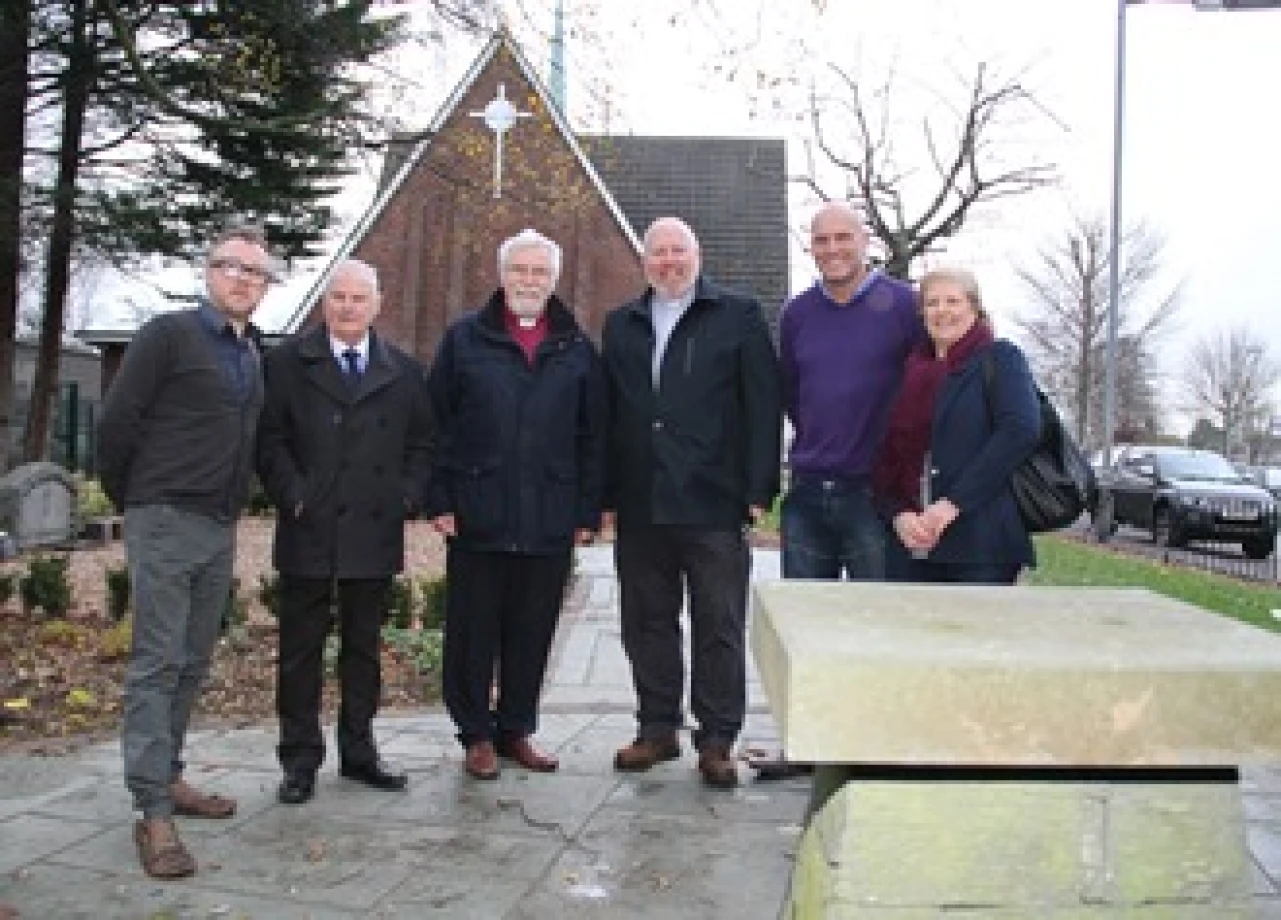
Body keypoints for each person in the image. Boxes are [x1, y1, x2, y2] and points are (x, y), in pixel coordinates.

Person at [98, 225, 271, 879]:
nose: (242, 279)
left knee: (192, 659)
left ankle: (168, 777)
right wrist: (139, 498)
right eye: (231, 267)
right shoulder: (168, 336)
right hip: (164, 516)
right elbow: (117, 423)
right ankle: (151, 814)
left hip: (217, 525)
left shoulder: (251, 352)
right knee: (157, 662)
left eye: (255, 273)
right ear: (209, 272)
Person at [602, 216, 782, 789]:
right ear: (644, 261)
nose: (668, 262)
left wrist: (758, 490)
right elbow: (608, 415)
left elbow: (763, 405)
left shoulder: (737, 316)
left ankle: (717, 738)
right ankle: (657, 729)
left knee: (718, 624)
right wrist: (605, 496)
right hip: (641, 500)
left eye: (678, 251)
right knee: (647, 622)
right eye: (658, 253)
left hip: (713, 501)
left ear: (697, 256)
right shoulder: (621, 324)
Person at [750, 201, 923, 781]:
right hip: (808, 491)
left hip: (873, 496)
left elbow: (922, 391)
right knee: (809, 630)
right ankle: (807, 746)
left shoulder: (904, 307)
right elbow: (794, 395)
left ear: (865, 239)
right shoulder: (798, 314)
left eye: (842, 238)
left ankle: (872, 746)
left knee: (877, 625)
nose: (832, 250)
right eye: (821, 240)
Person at [426, 229, 605, 780]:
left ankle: (516, 729)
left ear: (554, 280)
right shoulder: (464, 341)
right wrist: (439, 497)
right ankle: (475, 733)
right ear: (502, 276)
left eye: (540, 273)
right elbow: (436, 424)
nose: (529, 281)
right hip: (479, 511)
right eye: (520, 271)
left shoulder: (577, 348)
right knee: (474, 629)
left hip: (549, 514)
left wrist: (586, 510)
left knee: (533, 629)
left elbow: (593, 435)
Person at [256, 259, 434, 805]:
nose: (349, 307)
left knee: (363, 650)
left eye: (359, 299)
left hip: (373, 531)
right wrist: (294, 493)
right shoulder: (286, 363)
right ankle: (300, 759)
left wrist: (405, 495)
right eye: (339, 298)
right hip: (309, 527)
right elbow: (269, 439)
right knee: (300, 651)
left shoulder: (403, 371)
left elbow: (422, 445)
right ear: (325, 302)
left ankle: (360, 752)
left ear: (377, 304)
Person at [871, 267, 1041, 583]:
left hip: (980, 545)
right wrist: (898, 514)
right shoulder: (906, 371)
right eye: (932, 303)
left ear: (974, 308)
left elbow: (1020, 430)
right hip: (910, 545)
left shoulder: (999, 358)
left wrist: (952, 505)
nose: (943, 311)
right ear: (921, 313)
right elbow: (884, 454)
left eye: (953, 301)